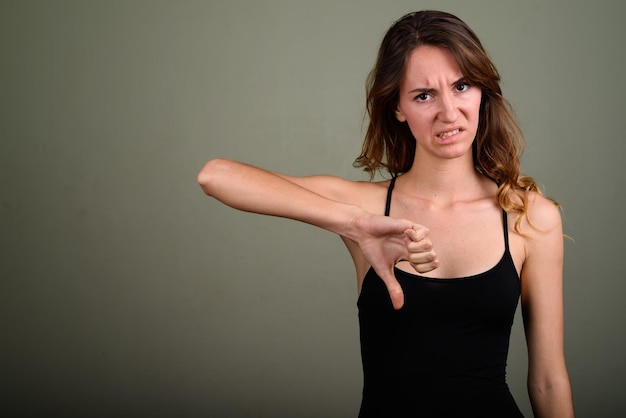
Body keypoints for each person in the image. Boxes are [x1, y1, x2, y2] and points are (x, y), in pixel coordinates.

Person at [198, 10, 574, 417]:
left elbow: (548, 381)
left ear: (482, 91)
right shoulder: (367, 210)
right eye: (423, 95)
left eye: (461, 86)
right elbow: (216, 176)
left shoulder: (529, 217)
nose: (449, 112)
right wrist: (353, 224)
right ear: (397, 107)